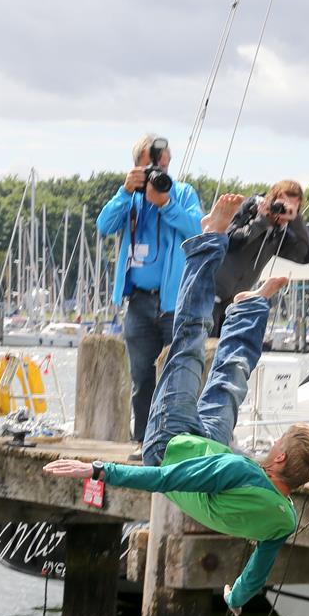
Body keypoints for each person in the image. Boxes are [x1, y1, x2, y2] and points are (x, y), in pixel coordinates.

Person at [45, 193, 309, 613]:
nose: (271, 446)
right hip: (210, 448)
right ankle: (251, 308)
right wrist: (234, 597)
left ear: (280, 456)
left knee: (189, 344)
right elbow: (256, 571)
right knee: (230, 380)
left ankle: (210, 239)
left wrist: (96, 469)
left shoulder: (242, 472)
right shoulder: (284, 520)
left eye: (277, 444)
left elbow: (162, 479)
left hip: (170, 444)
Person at [97, 134, 203, 456]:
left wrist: (166, 204)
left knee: (178, 375)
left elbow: (197, 228)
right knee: (142, 376)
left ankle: (175, 442)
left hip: (175, 303)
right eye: (151, 164)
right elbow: (104, 226)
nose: (159, 169)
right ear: (137, 167)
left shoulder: (182, 193)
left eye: (163, 162)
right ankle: (143, 441)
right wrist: (124, 191)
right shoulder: (129, 197)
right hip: (140, 301)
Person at [212, 179, 309, 337]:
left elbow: (306, 256)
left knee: (225, 356)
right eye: (282, 204)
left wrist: (296, 220)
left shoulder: (279, 233)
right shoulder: (250, 210)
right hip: (210, 297)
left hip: (234, 306)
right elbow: (229, 242)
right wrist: (261, 221)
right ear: (273, 198)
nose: (283, 210)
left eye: (291, 208)